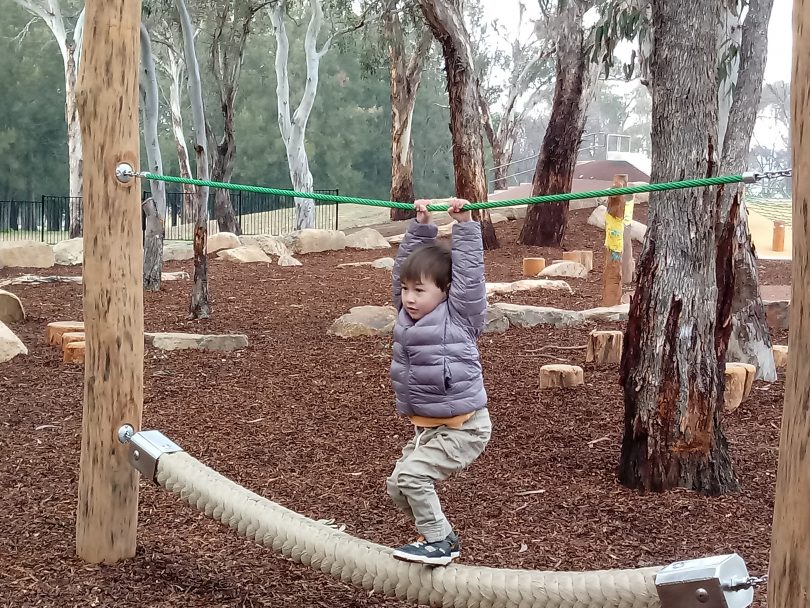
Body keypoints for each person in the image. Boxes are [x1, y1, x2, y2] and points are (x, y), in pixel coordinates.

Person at [386, 197, 492, 566]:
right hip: (429, 429)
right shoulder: (404, 314)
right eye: (406, 290)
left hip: (465, 427)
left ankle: (441, 541)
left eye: (420, 291)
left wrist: (463, 226)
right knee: (398, 487)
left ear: (446, 291)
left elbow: (470, 276)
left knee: (413, 477)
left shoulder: (460, 316)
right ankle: (429, 536)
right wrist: (420, 226)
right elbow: (402, 268)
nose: (410, 299)